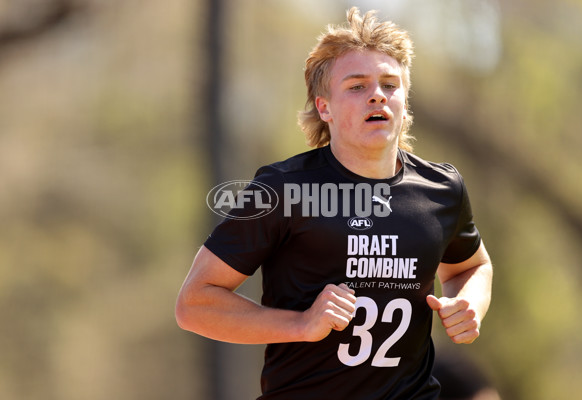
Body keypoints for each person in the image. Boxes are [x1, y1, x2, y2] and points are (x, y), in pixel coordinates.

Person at [176, 7, 493, 400]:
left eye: (390, 85)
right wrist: (301, 324)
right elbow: (195, 303)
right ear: (324, 107)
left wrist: (468, 304)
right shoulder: (283, 188)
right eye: (357, 86)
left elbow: (471, 265)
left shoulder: (441, 187)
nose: (377, 94)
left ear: (404, 100)